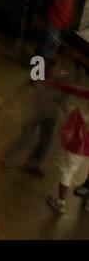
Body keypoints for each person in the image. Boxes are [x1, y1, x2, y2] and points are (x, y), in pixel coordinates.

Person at [4, 52, 72, 177]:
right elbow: (27, 82)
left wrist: (66, 114)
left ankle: (32, 164)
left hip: (50, 115)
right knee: (26, 139)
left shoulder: (62, 78)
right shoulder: (43, 74)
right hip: (36, 113)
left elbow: (62, 100)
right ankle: (8, 157)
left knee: (45, 142)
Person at [46, 80, 89, 214]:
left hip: (79, 147)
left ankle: (60, 202)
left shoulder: (82, 112)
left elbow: (76, 90)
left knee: (67, 172)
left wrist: (55, 84)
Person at [38, 0, 79, 64]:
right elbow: (47, 1)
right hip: (53, 22)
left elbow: (71, 9)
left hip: (63, 25)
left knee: (48, 47)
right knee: (49, 49)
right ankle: (37, 73)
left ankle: (38, 64)